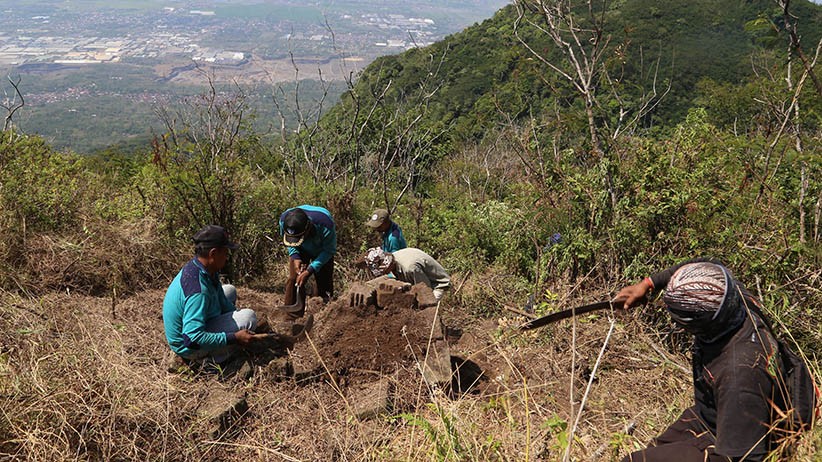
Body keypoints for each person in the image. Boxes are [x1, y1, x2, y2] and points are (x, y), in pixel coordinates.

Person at [615, 259, 785, 462]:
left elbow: (746, 456)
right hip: (712, 411)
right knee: (653, 450)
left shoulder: (738, 374)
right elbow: (708, 264)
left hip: (736, 432)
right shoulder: (731, 295)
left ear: (696, 326)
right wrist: (648, 284)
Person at [163, 225, 259, 365]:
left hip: (190, 324)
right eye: (225, 253)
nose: (227, 257)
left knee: (229, 290)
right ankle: (208, 361)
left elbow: (221, 298)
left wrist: (233, 317)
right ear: (213, 253)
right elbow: (192, 338)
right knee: (248, 317)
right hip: (188, 346)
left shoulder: (203, 268)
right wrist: (233, 337)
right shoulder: (198, 291)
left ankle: (222, 334)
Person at [279, 205, 337, 305]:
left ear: (308, 228)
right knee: (294, 279)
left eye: (299, 237)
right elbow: (290, 243)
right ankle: (291, 316)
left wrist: (310, 270)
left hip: (322, 250)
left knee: (324, 282)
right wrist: (295, 256)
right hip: (300, 249)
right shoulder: (284, 221)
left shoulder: (325, 224)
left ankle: (322, 313)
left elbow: (329, 250)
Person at [364, 247, 450, 300]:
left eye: (384, 271)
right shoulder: (393, 257)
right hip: (417, 276)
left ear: (388, 265)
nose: (384, 273)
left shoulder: (410, 268)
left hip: (436, 283)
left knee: (426, 309)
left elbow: (426, 290)